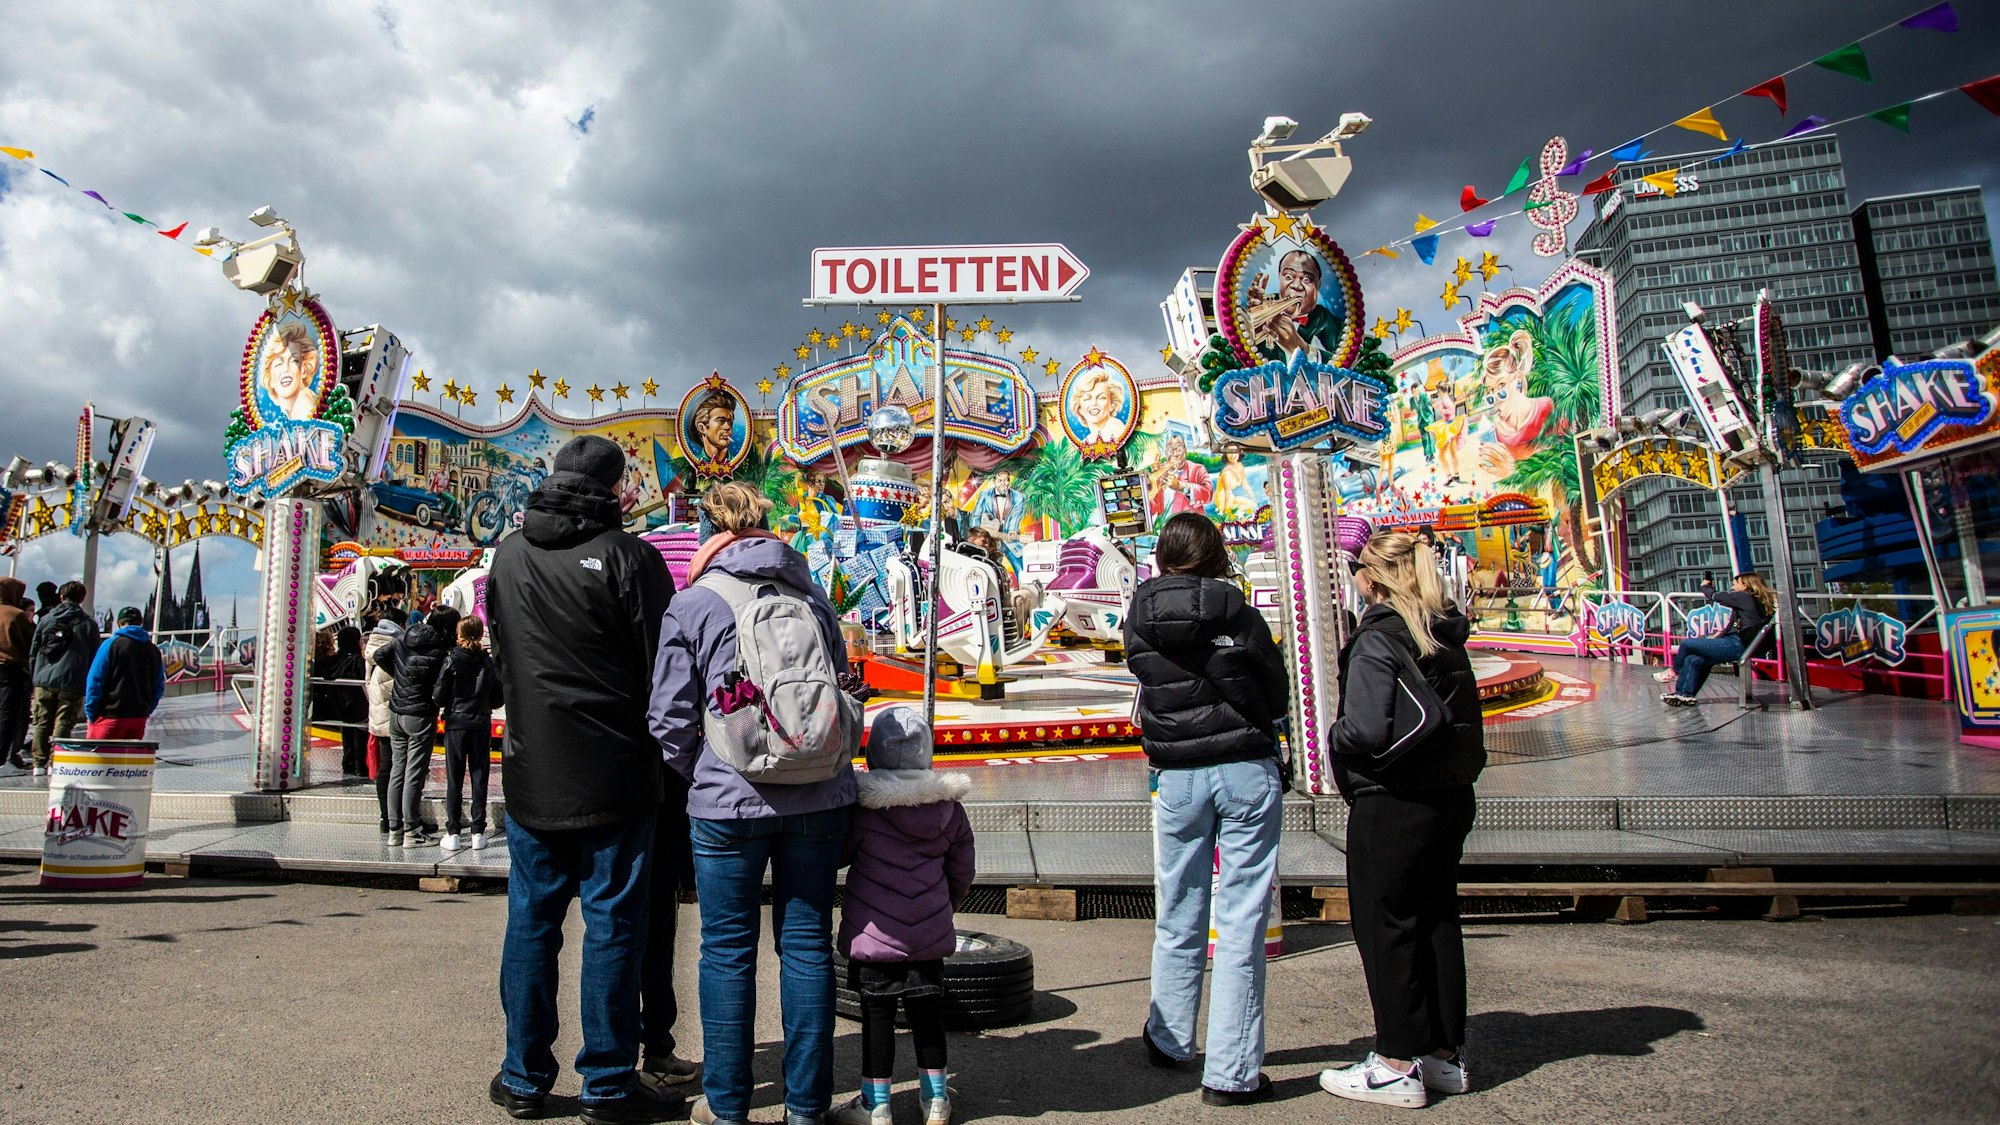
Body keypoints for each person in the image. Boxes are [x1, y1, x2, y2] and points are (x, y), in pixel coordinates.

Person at [651, 480, 859, 1125]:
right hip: (818, 797)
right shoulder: (813, 597)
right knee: (805, 945)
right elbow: (841, 690)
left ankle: (729, 1107)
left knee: (727, 950)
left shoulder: (694, 604)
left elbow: (668, 718)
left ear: (709, 531)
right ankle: (806, 1108)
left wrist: (707, 773)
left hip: (725, 805)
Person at [487, 434, 679, 1125]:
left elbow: (504, 658)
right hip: (616, 773)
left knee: (531, 923)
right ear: (616, 488)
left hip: (533, 771)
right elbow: (666, 669)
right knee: (613, 927)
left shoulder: (507, 557)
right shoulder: (632, 559)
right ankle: (606, 1081)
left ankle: (523, 1076)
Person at [1124, 512, 1288, 1106]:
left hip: (1178, 777)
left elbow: (1148, 679)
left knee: (1178, 907)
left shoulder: (1138, 616)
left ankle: (1169, 1039)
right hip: (1244, 767)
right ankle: (1232, 1071)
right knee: (1240, 920)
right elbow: (1274, 689)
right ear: (1217, 554)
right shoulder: (1239, 612)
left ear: (1161, 557)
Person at [1322, 530, 1485, 1109]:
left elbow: (1365, 728)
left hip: (1392, 797)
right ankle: (1443, 1055)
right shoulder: (1445, 633)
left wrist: (1328, 738)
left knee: (1385, 922)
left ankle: (1395, 1061)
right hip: (1450, 794)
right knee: (1437, 916)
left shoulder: (1379, 636)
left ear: (1373, 575)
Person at [831, 708, 974, 1125]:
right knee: (928, 1016)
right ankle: (935, 1101)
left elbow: (840, 855)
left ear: (874, 755)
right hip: (928, 935)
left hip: (874, 936)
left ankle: (876, 1106)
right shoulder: (949, 808)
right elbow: (962, 869)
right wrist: (944, 904)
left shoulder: (863, 810)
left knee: (876, 1019)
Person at [372, 603, 458, 848]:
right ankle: (412, 831)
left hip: (396, 711)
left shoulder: (404, 636)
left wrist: (399, 675)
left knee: (397, 769)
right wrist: (433, 699)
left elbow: (379, 655)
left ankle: (394, 830)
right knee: (414, 772)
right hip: (420, 714)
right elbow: (442, 684)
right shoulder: (441, 650)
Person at [432, 615, 502, 851]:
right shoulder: (487, 662)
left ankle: (453, 831)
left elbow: (439, 695)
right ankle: (478, 831)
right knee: (479, 776)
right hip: (481, 721)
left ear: (459, 634)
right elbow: (497, 697)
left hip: (456, 721)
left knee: (454, 777)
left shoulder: (451, 659)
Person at [1658, 573, 1775, 705]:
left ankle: (1673, 671)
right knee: (1694, 660)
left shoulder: (1744, 597)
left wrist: (1705, 587)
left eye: (1735, 583)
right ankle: (1684, 694)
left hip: (1737, 644)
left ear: (1745, 585)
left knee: (1686, 644)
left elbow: (1716, 596)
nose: (1732, 586)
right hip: (1746, 645)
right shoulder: (1757, 600)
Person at [30, 581, 100, 772]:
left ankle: (38, 763)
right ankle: (57, 761)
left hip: (43, 679)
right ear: (82, 599)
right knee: (63, 722)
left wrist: (34, 676)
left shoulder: (46, 620)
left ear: (61, 597)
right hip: (72, 680)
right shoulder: (88, 624)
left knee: (41, 721)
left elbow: (34, 650)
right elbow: (95, 656)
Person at [83, 607, 164, 739]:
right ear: (140, 623)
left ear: (119, 623)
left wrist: (90, 713)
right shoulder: (153, 650)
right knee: (129, 758)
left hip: (108, 716)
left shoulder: (109, 645)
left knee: (100, 757)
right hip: (138, 718)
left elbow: (95, 681)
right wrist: (146, 710)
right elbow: (158, 686)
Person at [1246, 249, 1342, 361]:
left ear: (1318, 285)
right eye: (1288, 277)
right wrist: (1252, 327)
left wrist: (1306, 351)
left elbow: (1344, 367)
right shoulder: (1261, 306)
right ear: (1279, 277)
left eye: (1306, 279)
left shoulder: (1336, 327)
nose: (1296, 286)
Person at [363, 610, 403, 834]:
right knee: (397, 768)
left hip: (378, 716)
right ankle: (395, 817)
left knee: (386, 768)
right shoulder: (392, 651)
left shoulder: (371, 650)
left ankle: (386, 817)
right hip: (394, 717)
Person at [321, 626, 370, 777]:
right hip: (360, 707)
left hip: (338, 708)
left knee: (347, 734)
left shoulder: (332, 662)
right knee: (360, 736)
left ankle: (348, 765)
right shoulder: (360, 663)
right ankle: (361, 766)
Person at [0, 578, 36, 773]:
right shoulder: (16, 615)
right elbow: (31, 645)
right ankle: (3, 757)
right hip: (10, 669)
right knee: (8, 715)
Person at [261, 322, 324, 421]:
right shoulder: (290, 412)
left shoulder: (303, 402)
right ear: (269, 378)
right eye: (279, 363)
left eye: (294, 361)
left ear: (303, 369)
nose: (286, 369)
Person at [1069, 364, 1131, 446]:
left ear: (1112, 405)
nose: (1094, 403)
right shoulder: (1088, 440)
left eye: (1101, 397)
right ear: (1080, 409)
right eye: (1087, 399)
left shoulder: (1115, 428)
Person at [692, 392, 739, 465]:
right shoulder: (690, 465)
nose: (728, 427)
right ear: (702, 428)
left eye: (730, 422)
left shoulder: (741, 466)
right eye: (721, 421)